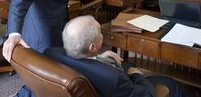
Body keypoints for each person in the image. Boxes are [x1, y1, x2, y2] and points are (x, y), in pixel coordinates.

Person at [45, 15, 184, 97]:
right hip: (126, 87)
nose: (101, 35)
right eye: (100, 33)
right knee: (172, 84)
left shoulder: (51, 53)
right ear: (92, 47)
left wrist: (98, 58)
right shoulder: (115, 79)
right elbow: (147, 95)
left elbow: (86, 63)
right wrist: (135, 72)